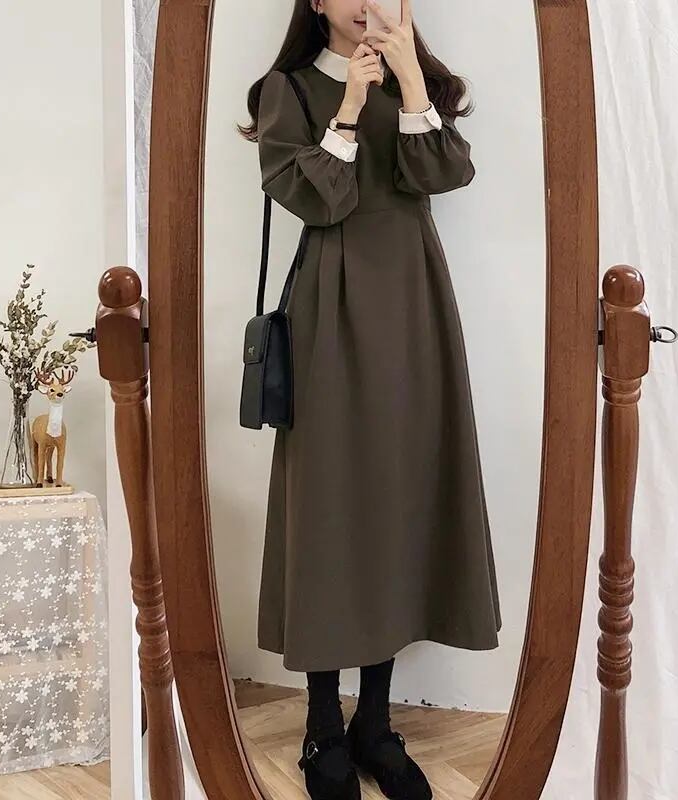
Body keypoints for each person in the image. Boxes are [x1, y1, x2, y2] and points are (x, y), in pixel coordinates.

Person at [238, 1, 502, 798]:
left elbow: (444, 176)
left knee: (398, 498)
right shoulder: (288, 89)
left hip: (415, 305)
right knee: (330, 506)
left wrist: (411, 82)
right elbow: (317, 201)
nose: (365, 3)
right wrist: (350, 106)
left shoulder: (421, 80)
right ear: (316, 1)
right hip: (331, 306)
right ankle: (323, 726)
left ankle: (375, 724)